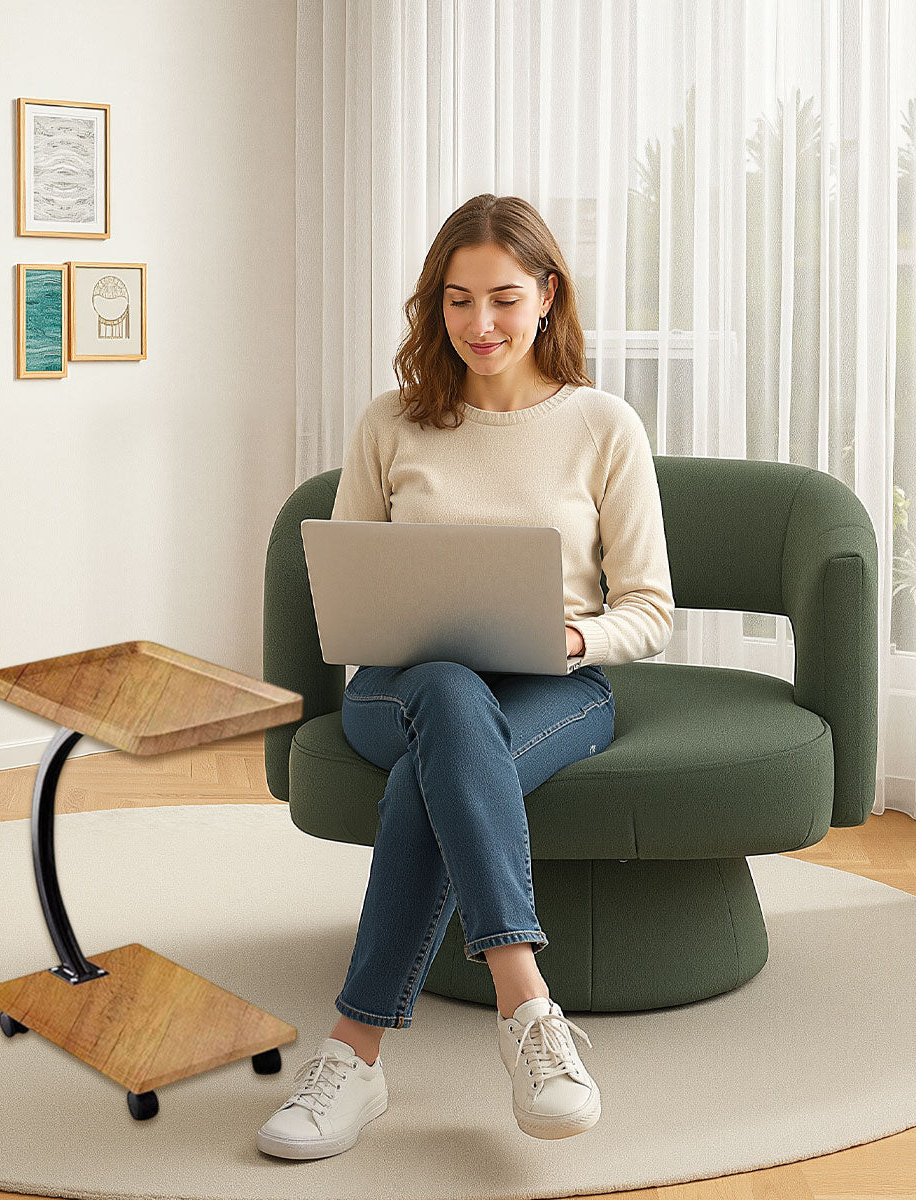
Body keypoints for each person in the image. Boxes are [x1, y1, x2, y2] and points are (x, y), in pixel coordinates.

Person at [256, 193, 674, 1161]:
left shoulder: (603, 424)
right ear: (432, 307)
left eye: (503, 298)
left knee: (435, 766)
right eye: (455, 301)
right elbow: (346, 584)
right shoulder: (390, 424)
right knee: (444, 692)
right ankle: (528, 1008)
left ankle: (354, 1057)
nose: (480, 325)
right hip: (398, 687)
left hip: (554, 686)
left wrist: (571, 639)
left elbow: (650, 609)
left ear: (548, 297)